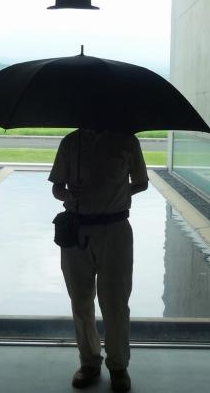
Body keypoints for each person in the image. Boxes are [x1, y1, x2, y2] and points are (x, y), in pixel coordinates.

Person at [49, 128, 149, 392]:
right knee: (80, 301)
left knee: (116, 303)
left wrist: (115, 193)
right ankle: (89, 362)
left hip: (115, 229)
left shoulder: (127, 140)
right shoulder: (71, 143)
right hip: (76, 230)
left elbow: (141, 182)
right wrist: (69, 195)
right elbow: (57, 186)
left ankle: (118, 366)